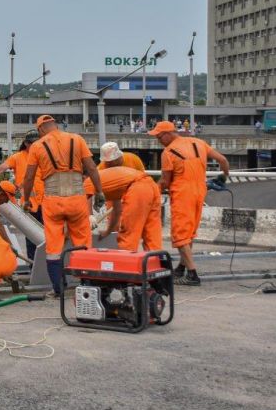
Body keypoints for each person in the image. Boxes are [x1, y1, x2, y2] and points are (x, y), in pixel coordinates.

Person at [22, 114, 104, 294]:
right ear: (55, 125)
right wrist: (99, 191)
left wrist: (26, 199)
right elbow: (91, 167)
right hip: (77, 198)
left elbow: (28, 177)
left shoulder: (37, 146)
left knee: (53, 247)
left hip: (52, 200)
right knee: (82, 242)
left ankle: (58, 289)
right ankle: (87, 285)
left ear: (40, 130)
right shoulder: (77, 139)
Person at [149, 121, 230, 286]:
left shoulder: (168, 152)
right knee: (189, 233)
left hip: (182, 195)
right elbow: (223, 160)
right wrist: (224, 176)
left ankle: (192, 274)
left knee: (180, 236)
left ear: (168, 134)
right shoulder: (198, 142)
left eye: (159, 137)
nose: (158, 140)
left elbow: (165, 181)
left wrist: (151, 191)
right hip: (200, 192)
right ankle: (181, 268)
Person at [0, 131, 44, 260]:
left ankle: (44, 263)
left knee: (46, 235)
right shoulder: (18, 157)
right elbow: (2, 167)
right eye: (34, 143)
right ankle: (33, 263)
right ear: (26, 144)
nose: (37, 146)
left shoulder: (44, 157)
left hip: (46, 202)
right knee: (31, 235)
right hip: (29, 204)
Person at [85, 166, 162, 252]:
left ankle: (125, 262)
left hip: (137, 188)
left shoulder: (88, 180)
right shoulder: (113, 182)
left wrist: (90, 216)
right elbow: (117, 211)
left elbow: (84, 201)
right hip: (151, 185)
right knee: (151, 232)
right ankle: (155, 260)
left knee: (128, 234)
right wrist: (108, 232)